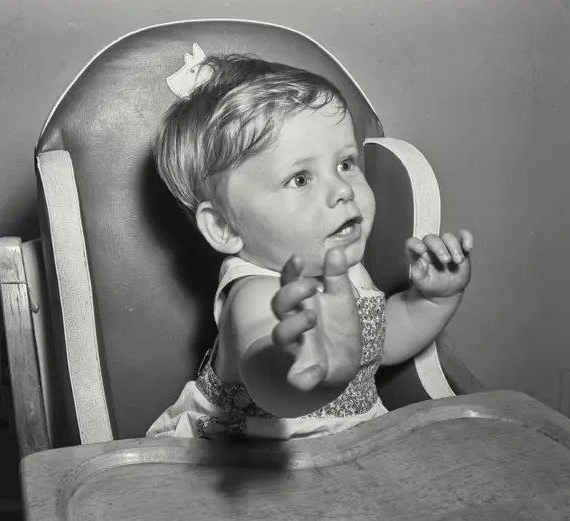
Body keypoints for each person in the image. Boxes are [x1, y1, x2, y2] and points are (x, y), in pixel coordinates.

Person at [146, 53, 474, 440]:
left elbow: (378, 346)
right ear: (223, 226)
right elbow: (266, 358)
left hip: (344, 450)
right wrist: (300, 372)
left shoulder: (346, 270)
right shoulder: (256, 292)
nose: (342, 190)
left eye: (346, 164)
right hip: (249, 465)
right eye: (300, 178)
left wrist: (433, 300)